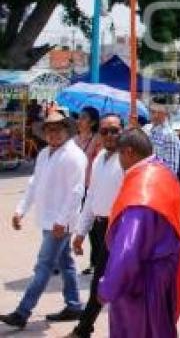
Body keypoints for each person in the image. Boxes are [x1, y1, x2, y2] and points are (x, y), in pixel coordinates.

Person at [98, 128, 180, 337]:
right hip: (163, 274)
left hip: (142, 283)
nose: (119, 161)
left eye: (119, 155)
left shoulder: (141, 192)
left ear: (129, 152)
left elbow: (126, 249)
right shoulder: (163, 172)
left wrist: (108, 287)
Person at [1, 111, 87, 330]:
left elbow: (76, 192)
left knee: (43, 266)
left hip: (60, 222)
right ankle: (74, 305)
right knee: (66, 263)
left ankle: (22, 312)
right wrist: (21, 210)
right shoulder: (44, 154)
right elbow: (33, 184)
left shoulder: (74, 156)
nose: (53, 133)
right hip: (48, 219)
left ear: (67, 131)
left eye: (58, 129)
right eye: (49, 130)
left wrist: (62, 221)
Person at [67, 114, 126, 338]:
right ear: (99, 134)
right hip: (100, 228)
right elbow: (91, 197)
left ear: (123, 131)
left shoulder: (128, 159)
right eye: (105, 131)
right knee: (100, 282)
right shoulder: (100, 157)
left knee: (112, 283)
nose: (110, 135)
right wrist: (81, 232)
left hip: (120, 230)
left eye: (115, 130)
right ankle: (84, 328)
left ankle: (84, 328)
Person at [74, 106, 101, 275]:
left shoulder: (97, 139)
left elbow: (99, 162)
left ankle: (96, 263)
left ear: (92, 122)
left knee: (94, 229)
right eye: (79, 117)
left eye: (84, 117)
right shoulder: (74, 140)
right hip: (75, 188)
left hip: (91, 188)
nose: (79, 120)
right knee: (76, 225)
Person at [144, 101, 180, 172]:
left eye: (159, 112)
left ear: (166, 114)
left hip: (159, 179)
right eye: (153, 112)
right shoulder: (147, 129)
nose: (156, 116)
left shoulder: (170, 136)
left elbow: (171, 170)